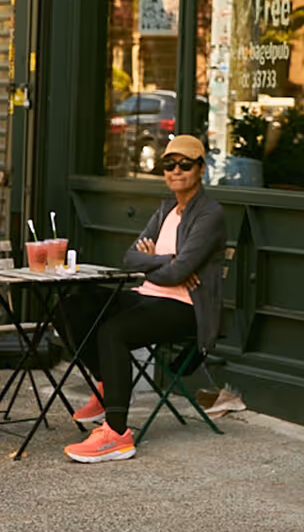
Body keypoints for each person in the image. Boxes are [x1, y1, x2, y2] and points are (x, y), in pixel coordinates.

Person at [64, 136, 228, 463]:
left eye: (185, 164)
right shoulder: (166, 209)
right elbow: (131, 257)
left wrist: (164, 264)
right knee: (74, 303)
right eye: (169, 164)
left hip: (185, 308)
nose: (176, 170)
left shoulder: (210, 214)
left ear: (201, 168)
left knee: (115, 331)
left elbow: (178, 273)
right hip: (147, 296)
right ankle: (109, 386)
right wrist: (168, 261)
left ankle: (117, 434)